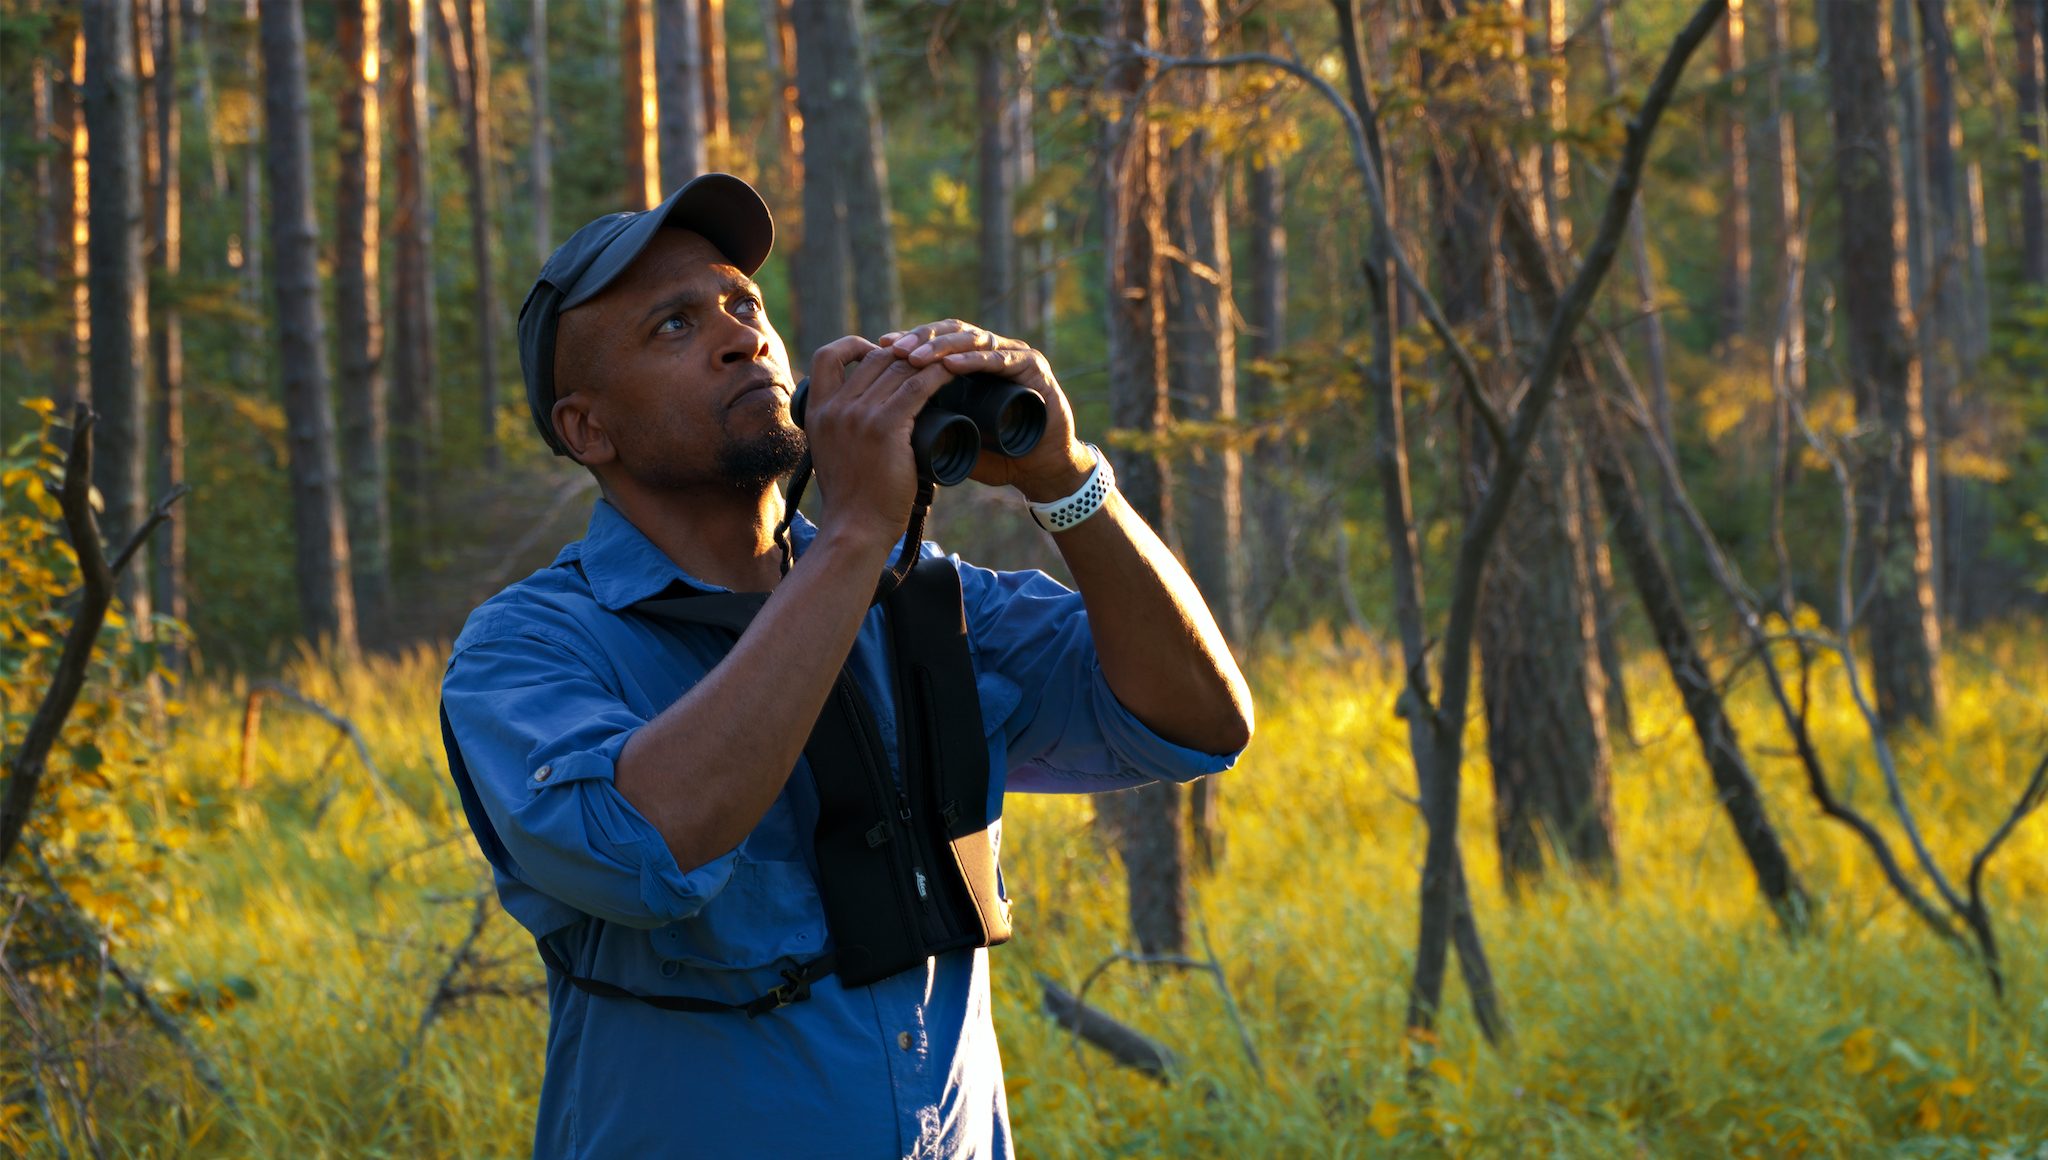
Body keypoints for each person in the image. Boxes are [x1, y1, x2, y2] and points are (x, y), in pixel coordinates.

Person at [439, 173, 1253, 1159]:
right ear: (586, 428)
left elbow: (1198, 723)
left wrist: (1065, 477)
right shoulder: (529, 648)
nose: (740, 338)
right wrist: (860, 529)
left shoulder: (922, 601)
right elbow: (642, 848)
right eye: (673, 326)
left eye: (744, 304)